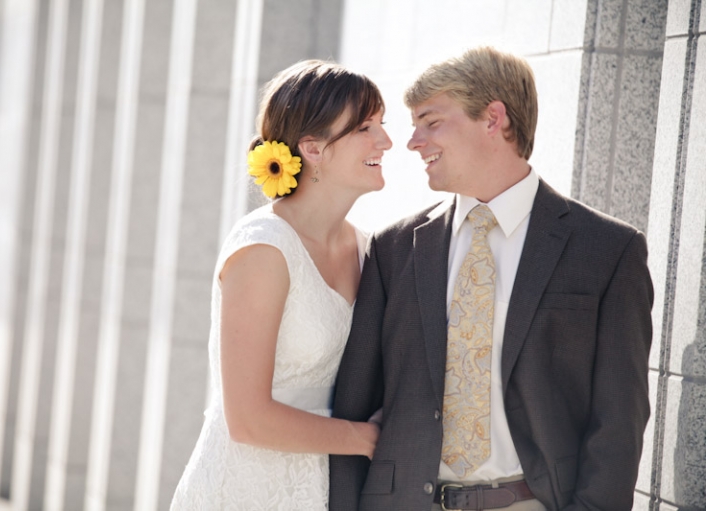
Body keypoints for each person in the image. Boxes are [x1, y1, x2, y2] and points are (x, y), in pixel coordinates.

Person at [329, 46, 653, 510]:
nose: (413, 141)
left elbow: (620, 416)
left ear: (493, 118)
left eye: (431, 122)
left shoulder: (606, 250)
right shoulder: (394, 249)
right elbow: (355, 403)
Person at [169, 59, 392, 510]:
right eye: (366, 127)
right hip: (246, 488)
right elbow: (247, 420)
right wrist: (369, 440)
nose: (385, 141)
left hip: (327, 488)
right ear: (313, 148)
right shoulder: (264, 249)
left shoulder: (372, 250)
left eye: (381, 125)